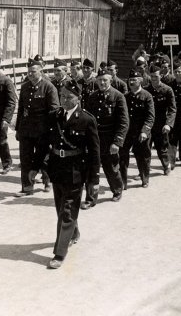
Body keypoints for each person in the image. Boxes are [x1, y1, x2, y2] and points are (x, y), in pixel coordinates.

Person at [31, 80, 100, 269]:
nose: (63, 99)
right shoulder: (54, 116)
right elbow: (43, 143)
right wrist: (34, 167)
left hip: (76, 170)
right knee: (61, 208)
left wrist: (94, 180)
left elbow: (94, 152)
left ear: (78, 98)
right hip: (56, 168)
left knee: (67, 211)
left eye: (68, 97)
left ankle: (59, 253)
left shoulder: (86, 119)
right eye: (61, 96)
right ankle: (73, 233)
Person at [84, 66, 129, 205]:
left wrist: (117, 142)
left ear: (110, 80)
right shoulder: (92, 97)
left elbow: (123, 122)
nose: (102, 83)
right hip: (94, 139)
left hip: (110, 139)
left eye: (105, 80)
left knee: (111, 169)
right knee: (92, 170)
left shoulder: (118, 96)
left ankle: (117, 190)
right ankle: (91, 198)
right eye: (99, 80)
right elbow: (86, 119)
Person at [15, 58, 59, 196]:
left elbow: (54, 110)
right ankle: (27, 187)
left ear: (41, 72)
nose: (30, 74)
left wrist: (52, 132)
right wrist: (18, 129)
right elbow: (21, 110)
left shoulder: (49, 87)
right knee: (25, 158)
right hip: (26, 129)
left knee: (44, 158)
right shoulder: (25, 87)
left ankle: (47, 181)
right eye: (28, 72)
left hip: (42, 130)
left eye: (33, 72)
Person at [120, 70, 155, 188]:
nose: (132, 82)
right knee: (123, 157)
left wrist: (145, 131)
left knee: (143, 156)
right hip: (127, 132)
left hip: (141, 132)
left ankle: (145, 178)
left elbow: (150, 117)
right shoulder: (125, 97)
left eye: (134, 80)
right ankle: (122, 182)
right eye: (130, 80)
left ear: (140, 81)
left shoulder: (147, 96)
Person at [145, 65, 176, 174]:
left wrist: (168, 124)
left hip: (161, 123)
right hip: (148, 124)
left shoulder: (167, 90)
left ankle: (166, 165)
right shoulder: (146, 90)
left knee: (162, 148)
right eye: (152, 76)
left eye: (156, 76)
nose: (154, 79)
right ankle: (144, 171)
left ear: (161, 76)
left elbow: (172, 109)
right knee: (145, 149)